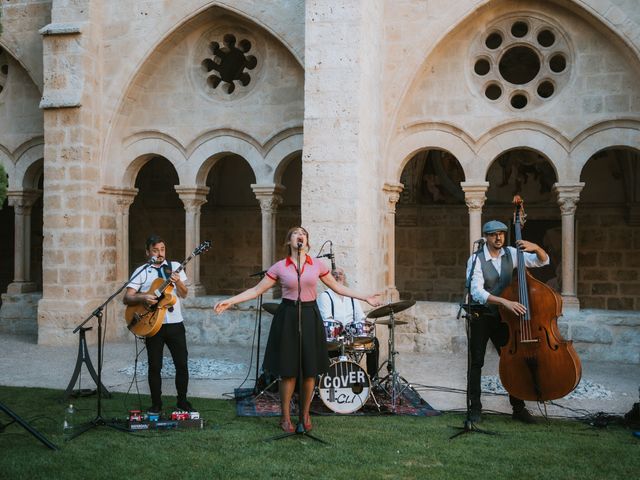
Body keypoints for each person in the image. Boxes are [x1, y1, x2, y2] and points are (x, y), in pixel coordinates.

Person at [214, 227, 380, 433]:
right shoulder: (280, 266)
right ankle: (285, 417)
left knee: (310, 371)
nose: (299, 236)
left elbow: (338, 288)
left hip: (310, 316)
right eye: (295, 233)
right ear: (289, 241)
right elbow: (257, 290)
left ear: (307, 241)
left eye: (303, 233)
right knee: (288, 372)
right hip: (288, 316)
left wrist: (365, 297)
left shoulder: (316, 265)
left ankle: (304, 413)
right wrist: (230, 301)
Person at [465, 220, 550, 424]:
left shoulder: (511, 253)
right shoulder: (476, 259)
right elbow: (477, 292)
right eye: (493, 234)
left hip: (504, 318)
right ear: (486, 237)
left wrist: (537, 248)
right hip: (481, 316)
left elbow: (542, 261)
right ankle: (475, 408)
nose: (498, 238)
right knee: (476, 362)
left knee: (512, 360)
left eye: (501, 233)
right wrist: (505, 301)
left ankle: (518, 408)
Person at [123, 234, 193, 414]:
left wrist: (178, 283)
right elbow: (128, 297)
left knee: (182, 364)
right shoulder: (141, 271)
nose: (160, 253)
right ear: (148, 252)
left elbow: (184, 294)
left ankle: (182, 401)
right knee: (155, 366)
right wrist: (144, 296)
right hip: (152, 324)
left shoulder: (176, 267)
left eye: (162, 249)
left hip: (175, 324)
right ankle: (156, 404)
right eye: (155, 250)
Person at [317, 267, 380, 380]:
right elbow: (327, 320)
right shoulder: (325, 296)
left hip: (351, 338)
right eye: (334, 274)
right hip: (334, 340)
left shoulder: (351, 297)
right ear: (330, 278)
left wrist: (363, 326)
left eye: (340, 274)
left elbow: (360, 317)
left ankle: (373, 379)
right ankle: (329, 379)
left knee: (374, 342)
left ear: (344, 278)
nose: (337, 276)